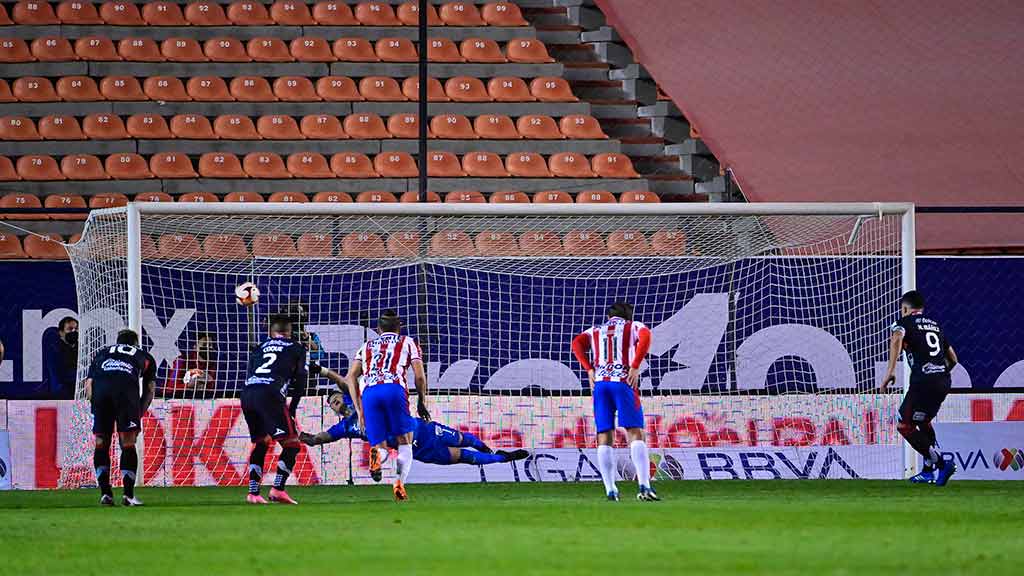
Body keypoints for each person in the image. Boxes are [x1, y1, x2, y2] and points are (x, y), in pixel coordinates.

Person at [301, 365, 528, 468]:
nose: (336, 403)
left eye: (337, 399)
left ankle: (486, 448)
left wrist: (321, 371)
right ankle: (503, 458)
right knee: (464, 457)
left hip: (422, 427)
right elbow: (321, 438)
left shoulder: (357, 400)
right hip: (417, 447)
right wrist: (300, 436)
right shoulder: (345, 428)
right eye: (332, 403)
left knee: (463, 438)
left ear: (345, 398)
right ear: (333, 410)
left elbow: (343, 381)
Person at [571, 302, 658, 502]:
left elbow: (576, 343)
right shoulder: (633, 326)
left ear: (610, 316)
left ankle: (611, 490)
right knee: (635, 431)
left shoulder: (595, 330)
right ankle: (644, 486)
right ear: (628, 316)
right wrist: (635, 365)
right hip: (623, 381)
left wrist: (588, 368)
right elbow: (646, 336)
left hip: (601, 385)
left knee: (604, 434)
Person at [345, 310, 429, 502]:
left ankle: (376, 455)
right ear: (399, 328)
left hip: (370, 393)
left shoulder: (366, 346)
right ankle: (399, 484)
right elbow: (419, 376)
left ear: (378, 329)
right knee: (405, 442)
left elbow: (350, 377)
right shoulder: (408, 342)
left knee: (380, 446)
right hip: (394, 389)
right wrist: (422, 400)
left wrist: (359, 409)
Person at [882, 290, 959, 486]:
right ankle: (927, 472)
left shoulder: (903, 323)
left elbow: (897, 339)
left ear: (905, 308)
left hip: (923, 382)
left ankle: (942, 463)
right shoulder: (935, 325)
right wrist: (938, 373)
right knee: (923, 421)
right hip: (943, 381)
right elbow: (953, 359)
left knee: (904, 424)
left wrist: (890, 371)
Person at [83, 329, 157, 506]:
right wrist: (139, 412)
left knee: (101, 442)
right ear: (135, 343)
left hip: (101, 394)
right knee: (128, 443)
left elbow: (88, 385)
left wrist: (96, 406)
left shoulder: (102, 353)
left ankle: (105, 493)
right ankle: (128, 495)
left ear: (117, 342)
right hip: (125, 394)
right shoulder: (144, 355)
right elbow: (150, 389)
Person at [241, 314, 308, 505]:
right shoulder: (296, 348)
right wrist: (293, 407)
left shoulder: (259, 347)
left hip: (247, 394)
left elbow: (250, 372)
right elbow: (301, 379)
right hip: (270, 394)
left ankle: (253, 493)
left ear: (271, 332)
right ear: (290, 332)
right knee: (292, 444)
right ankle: (277, 489)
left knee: (261, 442)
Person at [167, 332, 217, 397]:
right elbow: (169, 388)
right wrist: (189, 385)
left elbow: (211, 390)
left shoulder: (211, 365)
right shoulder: (181, 361)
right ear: (195, 347)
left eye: (210, 345)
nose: (207, 348)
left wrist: (208, 382)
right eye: (204, 344)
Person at [42, 316, 78, 399]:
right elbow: (59, 374)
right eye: (70, 329)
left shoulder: (82, 349)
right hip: (62, 392)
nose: (74, 331)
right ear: (61, 333)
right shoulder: (56, 350)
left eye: (76, 329)